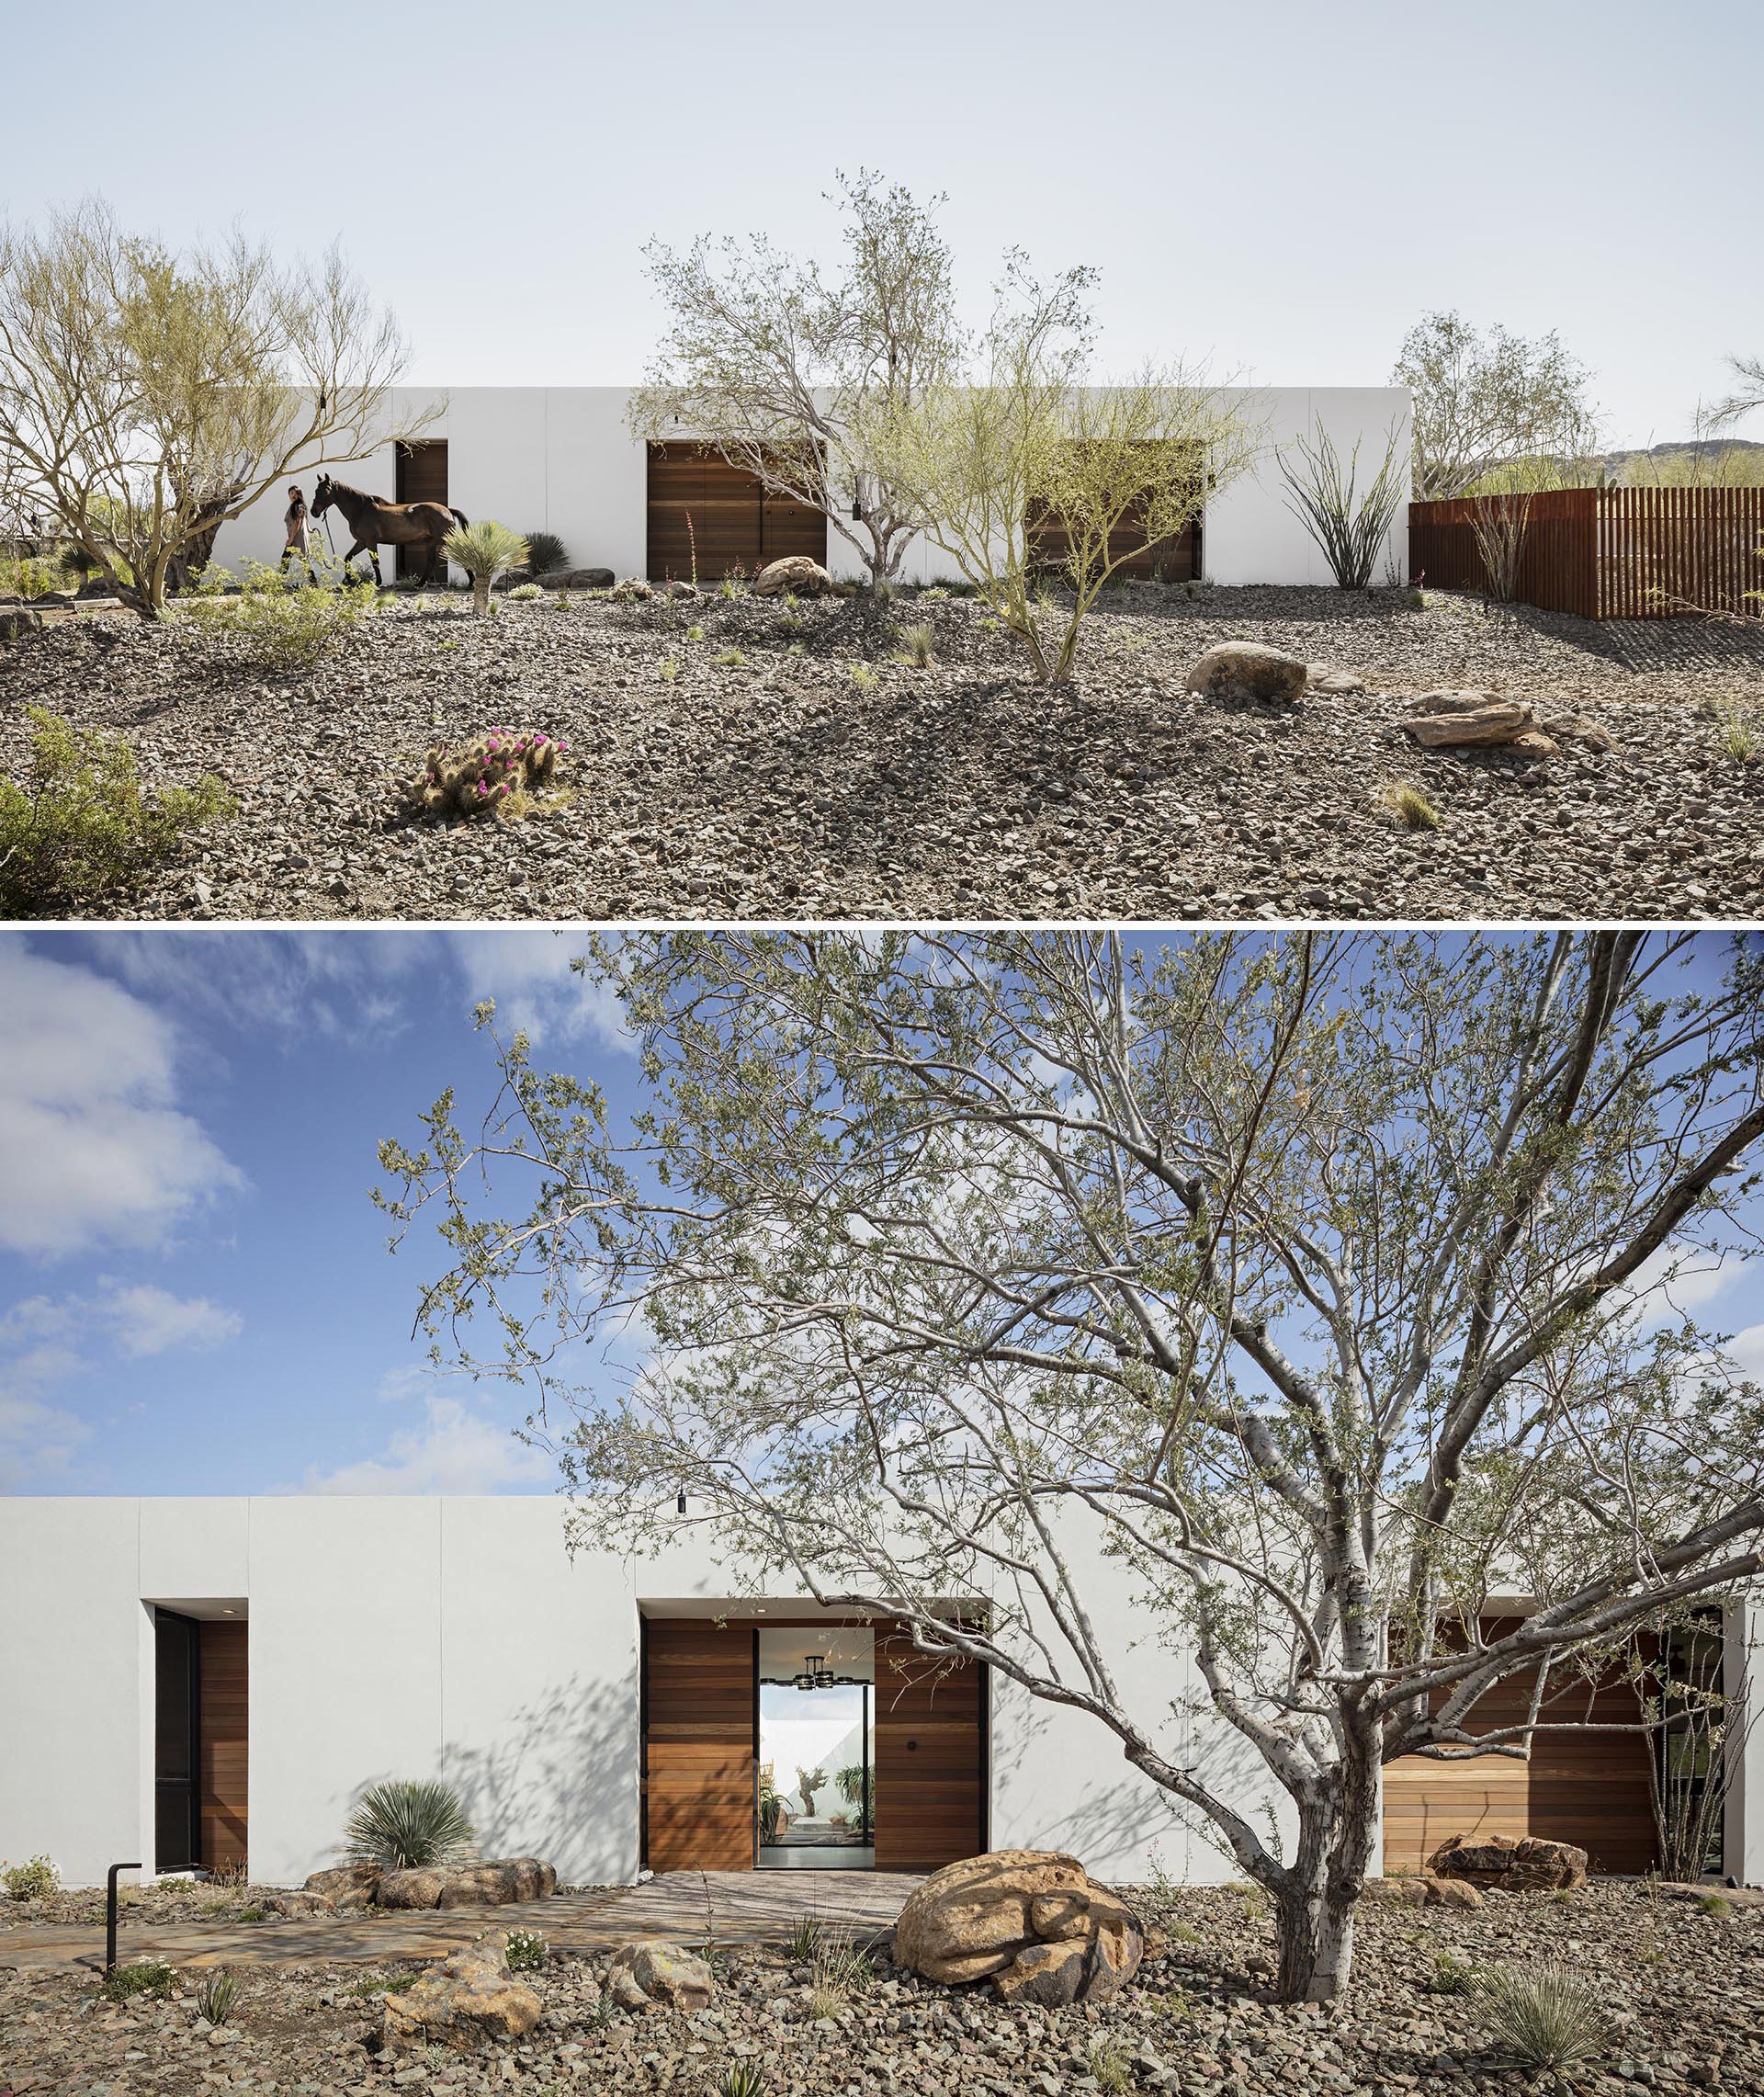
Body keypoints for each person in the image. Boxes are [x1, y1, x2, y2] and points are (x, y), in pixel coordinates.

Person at [281, 484, 320, 582]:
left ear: (299, 494)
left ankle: (279, 582)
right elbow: (305, 521)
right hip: (298, 537)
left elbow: (297, 522)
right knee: (303, 561)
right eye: (291, 493)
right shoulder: (298, 506)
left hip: (296, 538)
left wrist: (291, 538)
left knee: (286, 559)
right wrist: (310, 530)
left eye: (295, 493)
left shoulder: (297, 506)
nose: (292, 495)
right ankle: (314, 583)